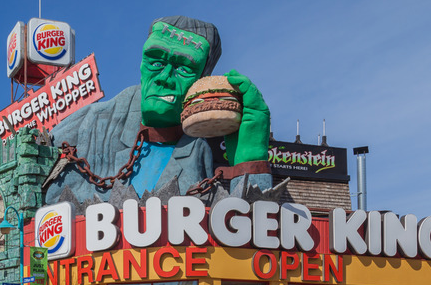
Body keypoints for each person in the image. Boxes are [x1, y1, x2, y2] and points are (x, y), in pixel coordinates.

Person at [46, 15, 272, 204]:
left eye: (184, 68)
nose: (164, 78)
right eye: (155, 62)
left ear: (202, 81)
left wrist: (250, 160)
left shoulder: (202, 150)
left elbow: (243, 238)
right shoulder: (90, 125)